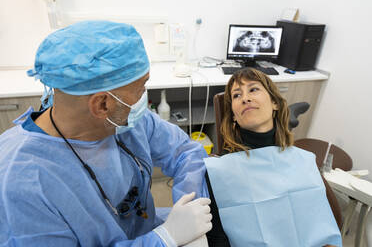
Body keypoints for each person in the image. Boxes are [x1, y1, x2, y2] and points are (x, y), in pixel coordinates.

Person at [0, 20, 212, 247]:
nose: (143, 96)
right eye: (141, 87)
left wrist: (188, 205)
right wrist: (163, 239)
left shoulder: (125, 121)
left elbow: (185, 152)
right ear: (102, 104)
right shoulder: (22, 182)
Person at [205, 68, 342, 246]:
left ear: (274, 103)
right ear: (233, 116)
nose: (245, 98)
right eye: (237, 95)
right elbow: (216, 240)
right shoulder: (220, 173)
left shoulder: (304, 161)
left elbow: (322, 224)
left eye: (253, 89)